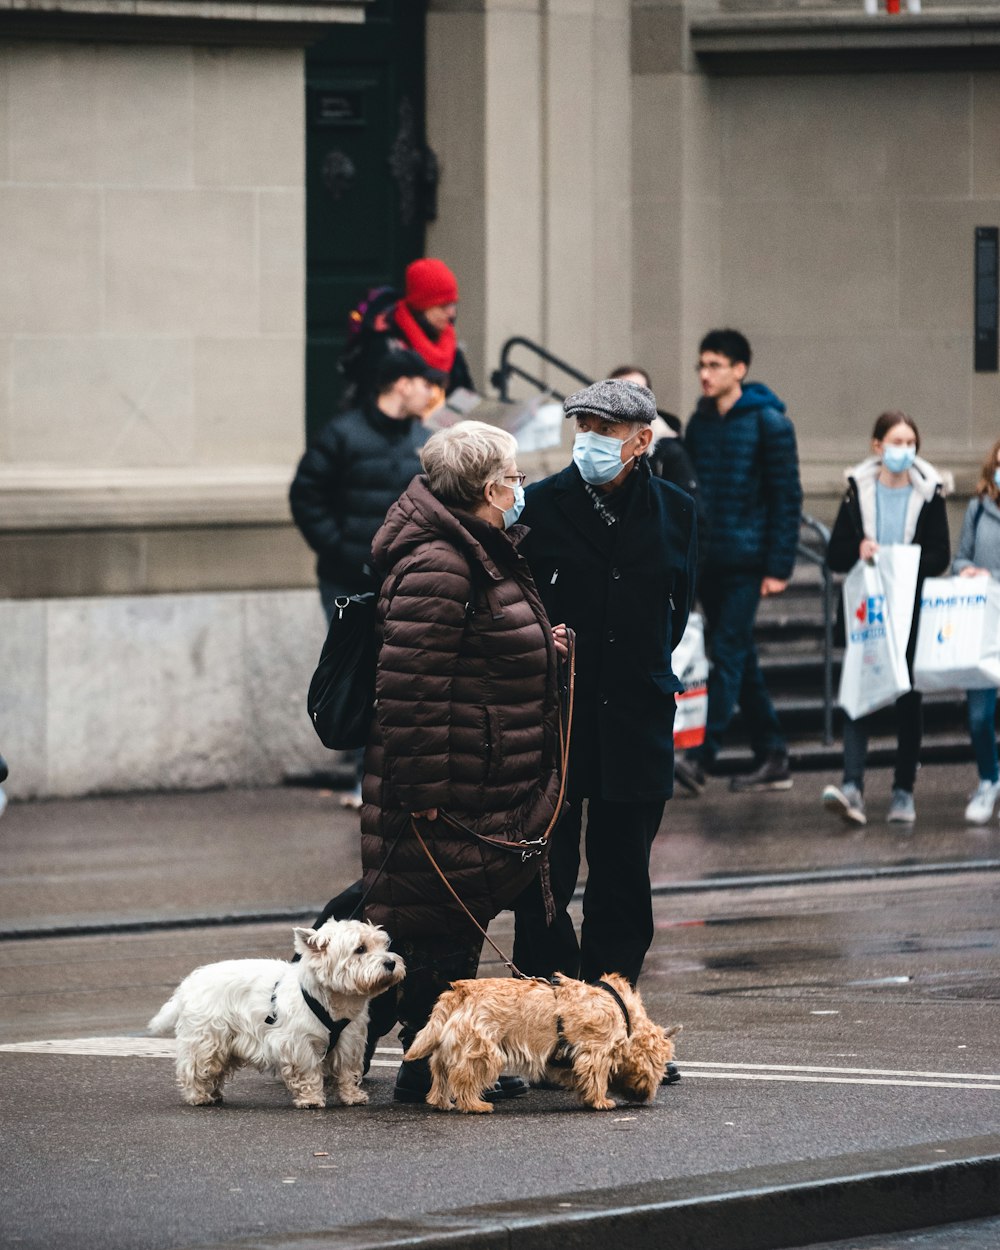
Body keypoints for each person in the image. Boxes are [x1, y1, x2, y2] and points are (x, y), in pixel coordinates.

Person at [359, 420, 568, 1104]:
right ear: (487, 488)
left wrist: (547, 647)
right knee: (438, 923)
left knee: (444, 917)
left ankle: (438, 1064)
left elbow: (482, 650)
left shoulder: (478, 547)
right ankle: (427, 1071)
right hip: (449, 787)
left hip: (482, 777)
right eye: (514, 477)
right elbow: (412, 688)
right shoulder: (441, 562)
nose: (520, 488)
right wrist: (422, 792)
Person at [510, 378, 697, 994]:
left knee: (623, 882)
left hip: (635, 719)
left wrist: (639, 667)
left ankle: (611, 1018)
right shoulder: (537, 507)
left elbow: (677, 611)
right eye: (581, 428)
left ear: (641, 440)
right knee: (543, 878)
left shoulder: (676, 510)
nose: (587, 441)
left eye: (604, 431)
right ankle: (550, 1015)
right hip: (555, 722)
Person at [289, 347, 441, 806]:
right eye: (423, 382)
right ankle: (362, 777)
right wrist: (338, 546)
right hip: (347, 578)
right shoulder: (343, 434)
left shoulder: (424, 438)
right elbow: (306, 494)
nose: (431, 392)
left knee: (397, 673)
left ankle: (385, 776)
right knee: (359, 671)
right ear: (400, 384)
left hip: (403, 574)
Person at [675, 328, 802, 796]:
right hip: (708, 560)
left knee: (726, 655)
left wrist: (778, 567)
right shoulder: (701, 421)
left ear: (739, 369)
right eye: (701, 365)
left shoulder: (770, 421)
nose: (705, 374)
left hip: (749, 562)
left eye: (715, 365)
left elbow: (786, 498)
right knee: (741, 659)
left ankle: (702, 757)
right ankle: (774, 754)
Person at [822, 411, 950, 827]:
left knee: (908, 700)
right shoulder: (856, 492)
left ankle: (902, 791)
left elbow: (939, 555)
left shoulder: (930, 493)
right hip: (868, 609)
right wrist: (860, 549)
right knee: (859, 690)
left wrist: (900, 561)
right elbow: (835, 555)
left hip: (909, 609)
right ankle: (852, 786)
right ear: (877, 446)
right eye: (896, 442)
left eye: (911, 443)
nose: (904, 451)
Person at [950, 438, 1000, 824]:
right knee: (979, 716)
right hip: (982, 625)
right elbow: (961, 556)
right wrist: (965, 570)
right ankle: (989, 779)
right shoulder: (978, 509)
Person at [348, 258, 475, 407]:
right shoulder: (385, 345)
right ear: (422, 307)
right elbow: (370, 405)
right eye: (443, 306)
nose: (452, 313)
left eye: (453, 304)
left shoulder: (448, 342)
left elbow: (467, 396)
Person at [607, 365, 702, 517]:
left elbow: (692, 516)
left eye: (639, 394)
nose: (632, 402)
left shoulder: (669, 451)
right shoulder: (601, 450)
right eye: (623, 394)